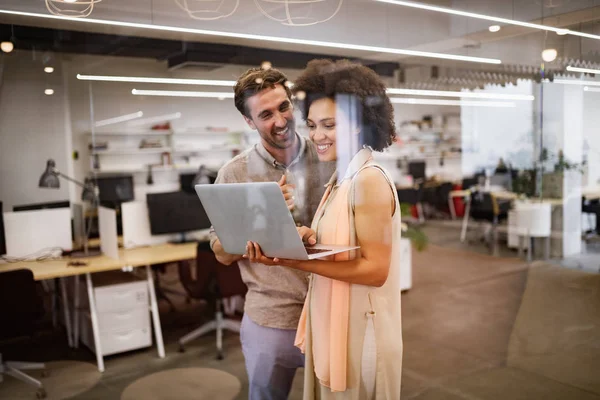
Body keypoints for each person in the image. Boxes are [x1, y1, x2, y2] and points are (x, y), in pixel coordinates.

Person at [246, 59, 403, 399]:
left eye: (329, 125)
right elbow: (346, 242)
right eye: (313, 124)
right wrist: (307, 238)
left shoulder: (369, 180)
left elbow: (376, 270)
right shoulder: (341, 179)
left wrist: (297, 262)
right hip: (339, 323)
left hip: (361, 332)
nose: (317, 135)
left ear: (358, 125)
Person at [209, 66, 335, 400]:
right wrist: (259, 216)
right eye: (265, 114)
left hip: (332, 312)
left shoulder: (330, 157)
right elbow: (221, 253)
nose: (280, 120)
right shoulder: (234, 174)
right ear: (249, 122)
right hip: (271, 319)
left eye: (283, 107)